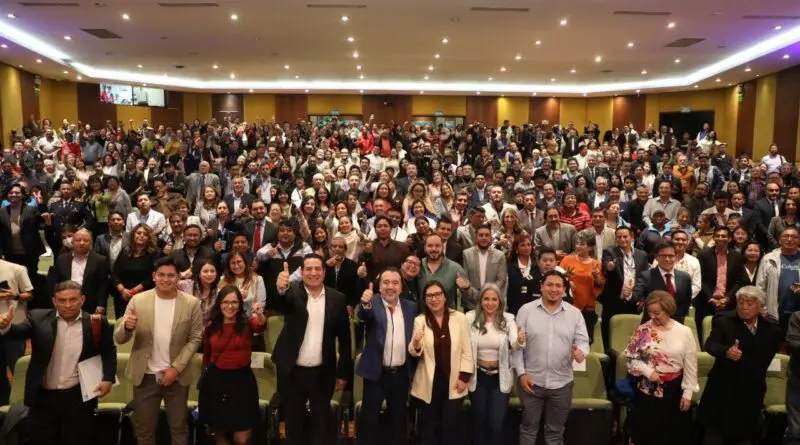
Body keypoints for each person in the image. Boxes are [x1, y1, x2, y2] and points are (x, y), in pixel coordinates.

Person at [0, 280, 116, 445]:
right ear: (54, 301)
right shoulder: (38, 318)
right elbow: (18, 332)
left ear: (82, 300)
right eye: (62, 300)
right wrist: (6, 326)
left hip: (77, 397)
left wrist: (108, 378)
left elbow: (109, 351)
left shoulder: (96, 322)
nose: (67, 305)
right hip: (43, 397)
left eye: (73, 299)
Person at [114, 256, 204, 445]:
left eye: (171, 275)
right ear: (154, 276)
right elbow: (120, 338)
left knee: (179, 429)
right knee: (144, 431)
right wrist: (127, 328)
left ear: (178, 277)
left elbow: (195, 338)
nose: (166, 279)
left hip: (177, 377)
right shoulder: (138, 300)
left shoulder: (192, 303)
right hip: (145, 375)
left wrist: (176, 368)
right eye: (161, 275)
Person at [272, 255, 353, 445]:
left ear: (324, 272)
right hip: (292, 372)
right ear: (301, 272)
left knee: (320, 426)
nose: (313, 273)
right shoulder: (292, 292)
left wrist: (343, 373)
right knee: (294, 426)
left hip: (322, 373)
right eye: (308, 269)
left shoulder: (337, 298)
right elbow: (282, 303)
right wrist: (281, 289)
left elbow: (345, 339)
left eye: (318, 269)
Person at [513, 270, 590, 445]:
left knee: (555, 432)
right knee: (528, 429)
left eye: (558, 286)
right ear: (541, 287)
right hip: (531, 383)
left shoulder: (575, 314)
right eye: (549, 285)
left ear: (564, 289)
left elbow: (583, 343)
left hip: (562, 384)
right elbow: (517, 346)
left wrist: (581, 353)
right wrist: (521, 374)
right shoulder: (526, 311)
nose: (553, 289)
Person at [699, 286, 782, 445]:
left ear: (760, 306)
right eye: (741, 302)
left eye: (750, 303)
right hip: (722, 389)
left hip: (750, 391)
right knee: (714, 436)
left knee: (745, 436)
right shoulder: (723, 321)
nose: (744, 307)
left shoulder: (772, 330)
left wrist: (744, 357)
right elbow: (710, 345)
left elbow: (763, 360)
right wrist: (726, 351)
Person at [624, 291, 698, 445]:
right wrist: (648, 372)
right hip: (648, 391)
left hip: (675, 390)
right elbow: (631, 358)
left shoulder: (684, 332)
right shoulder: (643, 330)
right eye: (649, 312)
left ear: (668, 310)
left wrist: (688, 393)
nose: (652, 316)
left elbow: (691, 364)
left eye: (657, 313)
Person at [198, 285, 267, 445]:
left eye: (234, 302)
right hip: (216, 382)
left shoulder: (247, 323)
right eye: (225, 302)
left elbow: (261, 325)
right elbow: (207, 356)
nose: (230, 306)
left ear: (240, 304)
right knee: (219, 432)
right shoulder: (211, 326)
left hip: (242, 383)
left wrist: (260, 314)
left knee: (242, 438)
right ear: (219, 304)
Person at [356, 268, 417, 445]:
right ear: (379, 285)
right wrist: (365, 304)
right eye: (386, 282)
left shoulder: (411, 307)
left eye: (395, 283)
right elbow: (363, 315)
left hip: (400, 374)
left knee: (397, 422)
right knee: (369, 422)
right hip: (376, 374)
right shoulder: (371, 302)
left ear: (401, 287)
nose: (390, 287)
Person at [409, 280, 473, 445]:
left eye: (438, 294)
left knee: (449, 428)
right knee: (429, 430)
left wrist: (464, 377)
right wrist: (415, 342)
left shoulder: (459, 318)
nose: (434, 299)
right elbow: (414, 351)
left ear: (445, 297)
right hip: (429, 382)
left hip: (454, 381)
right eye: (429, 296)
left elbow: (467, 350)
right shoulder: (420, 320)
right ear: (425, 300)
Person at [466, 284, 521, 445]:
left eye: (494, 299)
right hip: (478, 377)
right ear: (480, 301)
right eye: (486, 299)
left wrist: (520, 341)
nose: (490, 303)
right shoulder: (470, 318)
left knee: (496, 424)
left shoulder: (508, 319)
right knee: (479, 422)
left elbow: (515, 343)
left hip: (500, 377)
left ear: (500, 301)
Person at [695, 227, 747, 341]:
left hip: (728, 304)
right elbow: (700, 279)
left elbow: (739, 281)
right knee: (704, 336)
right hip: (706, 302)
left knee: (727, 337)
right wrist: (710, 298)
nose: (720, 238)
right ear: (713, 238)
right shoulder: (704, 255)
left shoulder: (737, 256)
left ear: (729, 239)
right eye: (717, 236)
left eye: (723, 236)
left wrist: (727, 299)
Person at [634, 239, 693, 323]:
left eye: (671, 256)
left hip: (677, 324)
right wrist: (629, 295)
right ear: (656, 257)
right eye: (663, 255)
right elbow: (636, 297)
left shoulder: (685, 277)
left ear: (676, 257)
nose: (667, 259)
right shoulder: (646, 276)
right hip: (652, 324)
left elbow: (686, 304)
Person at [51, 229, 110, 314]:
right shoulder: (61, 259)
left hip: (90, 305)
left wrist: (101, 305)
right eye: (78, 240)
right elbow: (55, 282)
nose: (82, 243)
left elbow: (103, 285)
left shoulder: (100, 260)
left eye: (85, 240)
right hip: (66, 302)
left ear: (91, 243)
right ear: (72, 242)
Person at [559, 231, 603, 342]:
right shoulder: (567, 259)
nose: (578, 246)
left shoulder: (596, 264)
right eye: (577, 243)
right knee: (567, 340)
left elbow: (600, 284)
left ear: (590, 248)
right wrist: (568, 282)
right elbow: (558, 277)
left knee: (585, 341)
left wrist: (597, 277)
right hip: (568, 306)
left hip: (588, 309)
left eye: (582, 244)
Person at [756, 226, 800, 329]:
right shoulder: (768, 258)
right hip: (775, 312)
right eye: (786, 236)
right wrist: (761, 308)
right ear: (779, 240)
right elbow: (760, 286)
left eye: (794, 237)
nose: (789, 239)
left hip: (798, 314)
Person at [0, 183, 45, 278]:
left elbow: (42, 224)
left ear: (23, 195)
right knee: (12, 279)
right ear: (7, 194)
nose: (14, 194)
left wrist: (41, 204)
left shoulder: (31, 210)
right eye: (11, 192)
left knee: (31, 278)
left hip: (29, 252)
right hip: (9, 253)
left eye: (17, 193)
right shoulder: (1, 211)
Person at [461, 224, 508, 311]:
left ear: (491, 238)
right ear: (476, 237)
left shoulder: (500, 255)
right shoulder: (466, 254)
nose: (484, 238)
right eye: (481, 235)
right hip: (471, 303)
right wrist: (475, 294)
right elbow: (464, 278)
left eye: (487, 235)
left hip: (492, 303)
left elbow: (501, 279)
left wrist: (488, 294)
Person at [507, 235, 537, 315]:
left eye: (529, 245)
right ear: (516, 248)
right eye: (522, 245)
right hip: (513, 307)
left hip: (533, 307)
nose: (526, 248)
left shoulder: (537, 264)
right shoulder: (509, 266)